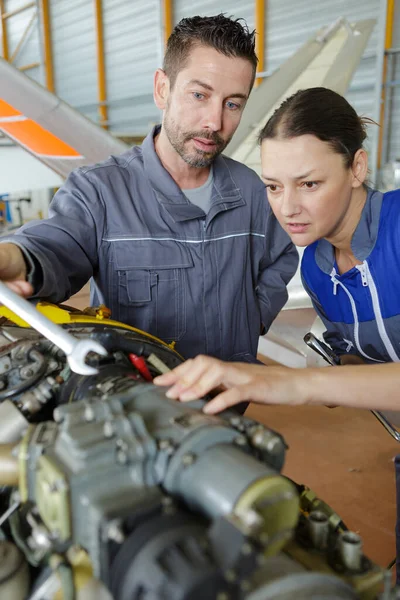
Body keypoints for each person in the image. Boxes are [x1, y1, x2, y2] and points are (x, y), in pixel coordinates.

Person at [0, 14, 298, 362]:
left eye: (232, 104)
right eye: (199, 95)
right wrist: (15, 259)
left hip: (229, 404)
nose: (214, 122)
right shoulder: (99, 192)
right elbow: (52, 245)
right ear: (162, 89)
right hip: (144, 403)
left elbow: (281, 258)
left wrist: (252, 319)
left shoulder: (253, 191)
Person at [154, 86, 400, 405]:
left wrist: (301, 383)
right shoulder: (317, 268)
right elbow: (356, 364)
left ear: (356, 168)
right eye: (273, 186)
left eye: (308, 184)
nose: (287, 208)